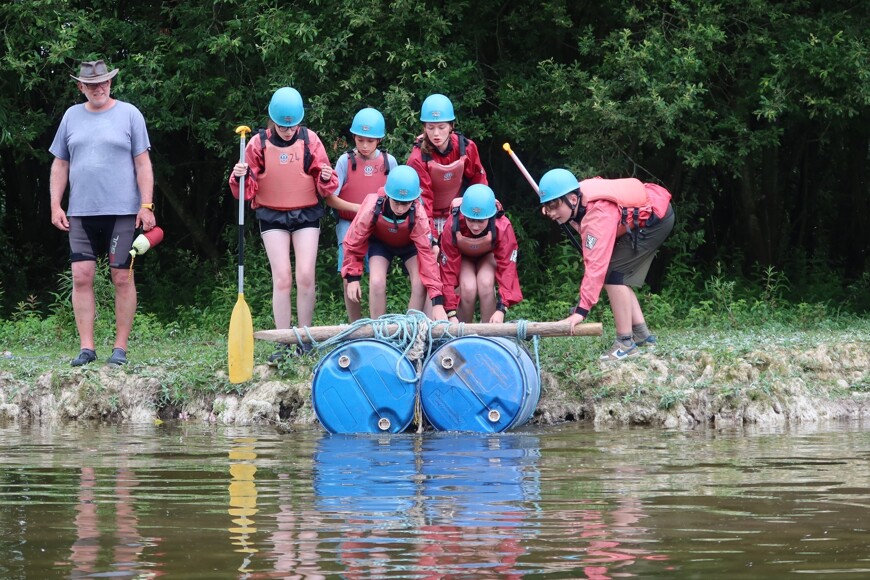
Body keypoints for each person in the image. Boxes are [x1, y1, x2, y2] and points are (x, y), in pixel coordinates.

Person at [49, 59, 156, 367]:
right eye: (92, 84)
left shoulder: (130, 114)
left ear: (110, 82)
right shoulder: (71, 116)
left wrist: (146, 205)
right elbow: (60, 164)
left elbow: (143, 164)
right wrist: (56, 205)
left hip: (122, 212)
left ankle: (120, 348)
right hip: (81, 213)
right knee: (81, 276)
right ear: (81, 86)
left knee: (122, 277)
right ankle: (87, 348)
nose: (99, 88)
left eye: (104, 82)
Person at [229, 86, 339, 362]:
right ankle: (283, 341)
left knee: (305, 275)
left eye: (292, 126)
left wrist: (326, 176)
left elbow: (326, 184)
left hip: (306, 214)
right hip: (272, 215)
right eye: (282, 126)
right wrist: (239, 175)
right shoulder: (257, 144)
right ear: (273, 121)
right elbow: (245, 191)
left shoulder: (310, 140)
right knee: (282, 278)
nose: (288, 131)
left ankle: (305, 338)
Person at [537, 168, 674, 361]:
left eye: (554, 207)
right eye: (547, 208)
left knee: (614, 275)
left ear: (573, 199)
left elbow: (595, 267)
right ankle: (642, 335)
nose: (550, 213)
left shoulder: (598, 215)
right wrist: (560, 212)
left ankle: (625, 343)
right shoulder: (576, 199)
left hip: (657, 218)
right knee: (616, 273)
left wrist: (581, 312)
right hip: (646, 213)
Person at [341, 165, 448, 321]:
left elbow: (428, 257)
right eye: (396, 202)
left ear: (414, 200)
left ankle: (411, 328)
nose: (400, 208)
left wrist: (437, 302)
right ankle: (379, 329)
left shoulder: (418, 214)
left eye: (405, 203)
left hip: (410, 246)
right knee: (377, 281)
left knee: (419, 282)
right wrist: (352, 277)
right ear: (388, 195)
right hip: (381, 244)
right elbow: (353, 241)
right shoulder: (372, 206)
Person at [329, 108, 398, 322]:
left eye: (370, 141)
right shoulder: (345, 161)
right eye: (360, 140)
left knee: (377, 276)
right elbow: (330, 197)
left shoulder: (389, 162)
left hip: (378, 225)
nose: (365, 145)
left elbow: (398, 197)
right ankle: (356, 324)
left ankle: (378, 324)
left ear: (379, 140)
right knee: (349, 274)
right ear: (354, 138)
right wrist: (359, 209)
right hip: (349, 223)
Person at [406, 93, 488, 239]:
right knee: (432, 249)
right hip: (429, 217)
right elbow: (423, 202)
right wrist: (431, 237)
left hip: (461, 213)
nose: (436, 133)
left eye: (441, 127)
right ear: (424, 128)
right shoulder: (417, 158)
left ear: (451, 126)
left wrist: (477, 215)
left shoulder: (467, 148)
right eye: (431, 127)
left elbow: (479, 184)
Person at [438, 184, 523, 323]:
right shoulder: (453, 224)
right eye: (471, 219)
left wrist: (501, 308)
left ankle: (489, 330)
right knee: (468, 287)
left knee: (485, 282)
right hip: (463, 258)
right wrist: (450, 312)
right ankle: (462, 331)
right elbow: (447, 271)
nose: (475, 226)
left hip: (488, 256)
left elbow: (508, 267)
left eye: (480, 221)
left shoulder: (502, 225)